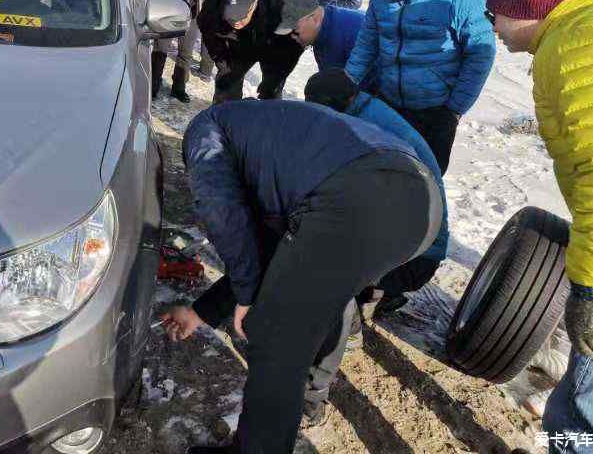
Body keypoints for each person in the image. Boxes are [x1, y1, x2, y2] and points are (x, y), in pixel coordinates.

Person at [163, 99, 443, 454]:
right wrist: (200, 312)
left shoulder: (205, 133)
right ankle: (310, 397)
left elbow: (223, 213)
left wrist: (250, 298)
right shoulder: (273, 139)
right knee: (316, 291)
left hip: (363, 195)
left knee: (275, 334)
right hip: (421, 209)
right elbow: (272, 256)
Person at [486, 0, 593, 454]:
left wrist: (592, 288)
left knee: (583, 401)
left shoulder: (575, 47)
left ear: (524, 8)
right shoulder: (579, 33)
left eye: (497, 13)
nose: (493, 25)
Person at [344, 0, 496, 175]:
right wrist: (346, 83)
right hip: (390, 104)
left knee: (424, 182)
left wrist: (454, 110)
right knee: (381, 175)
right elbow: (366, 44)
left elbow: (480, 54)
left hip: (435, 112)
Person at [305, 68, 449, 315]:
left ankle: (373, 295)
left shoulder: (367, 130)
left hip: (416, 258)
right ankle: (375, 293)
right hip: (416, 243)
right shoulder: (365, 109)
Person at [197, 0, 305, 103]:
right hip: (238, 46)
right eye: (230, 19)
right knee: (227, 82)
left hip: (272, 45)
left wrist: (277, 75)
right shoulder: (213, 5)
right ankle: (224, 116)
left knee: (271, 90)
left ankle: (268, 118)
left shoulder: (281, 8)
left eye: (241, 18)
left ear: (254, 4)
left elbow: (294, 46)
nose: (236, 22)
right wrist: (221, 60)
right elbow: (208, 31)